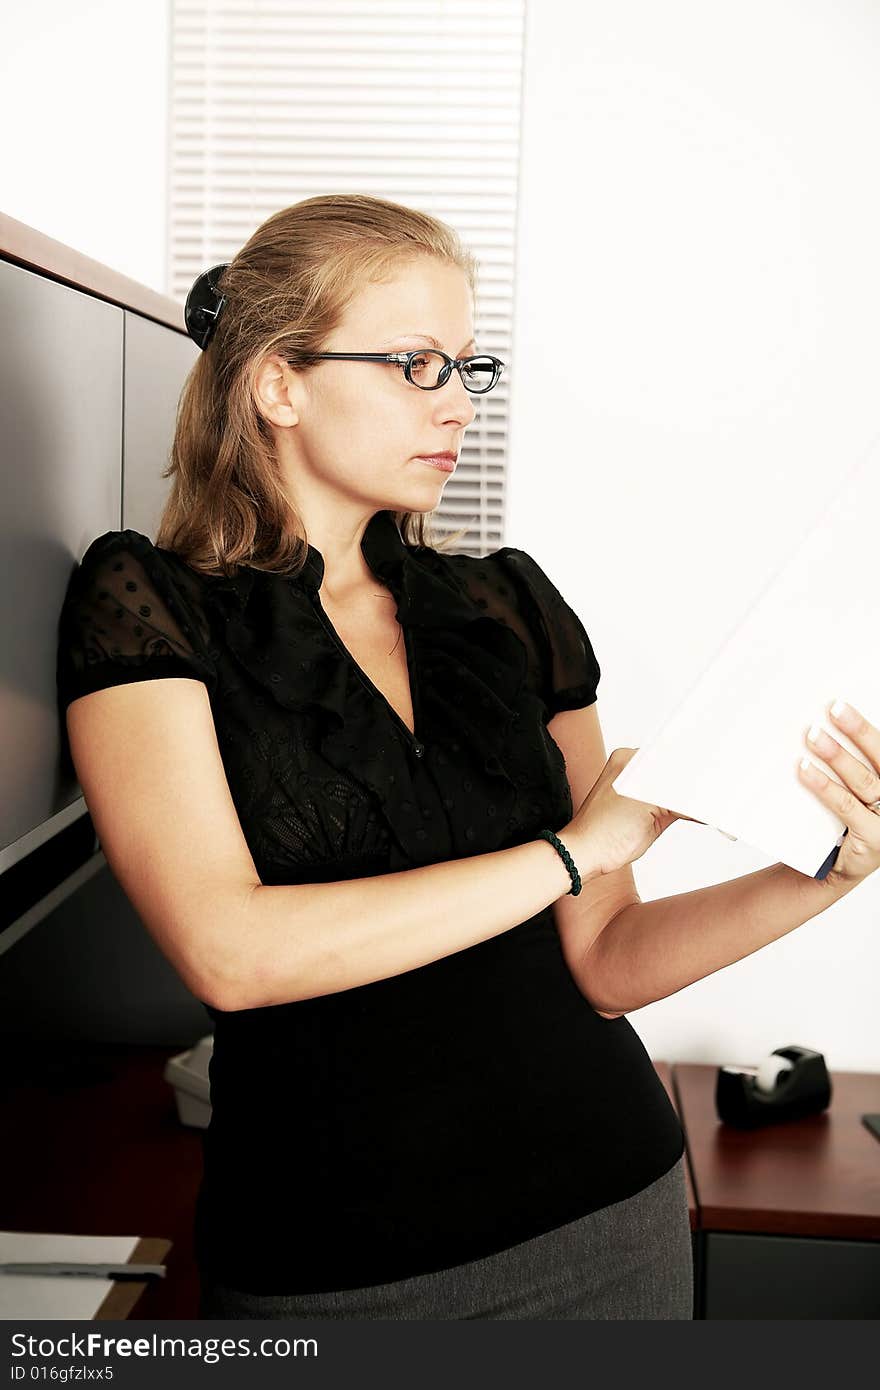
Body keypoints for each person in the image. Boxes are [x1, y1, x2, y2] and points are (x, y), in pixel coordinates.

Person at [54, 193, 701, 1319]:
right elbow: (230, 953)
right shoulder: (146, 604)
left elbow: (607, 961)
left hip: (614, 1210)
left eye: (465, 366)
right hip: (338, 1271)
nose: (456, 405)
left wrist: (828, 873)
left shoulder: (509, 602)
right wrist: (569, 849)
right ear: (277, 383)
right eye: (414, 364)